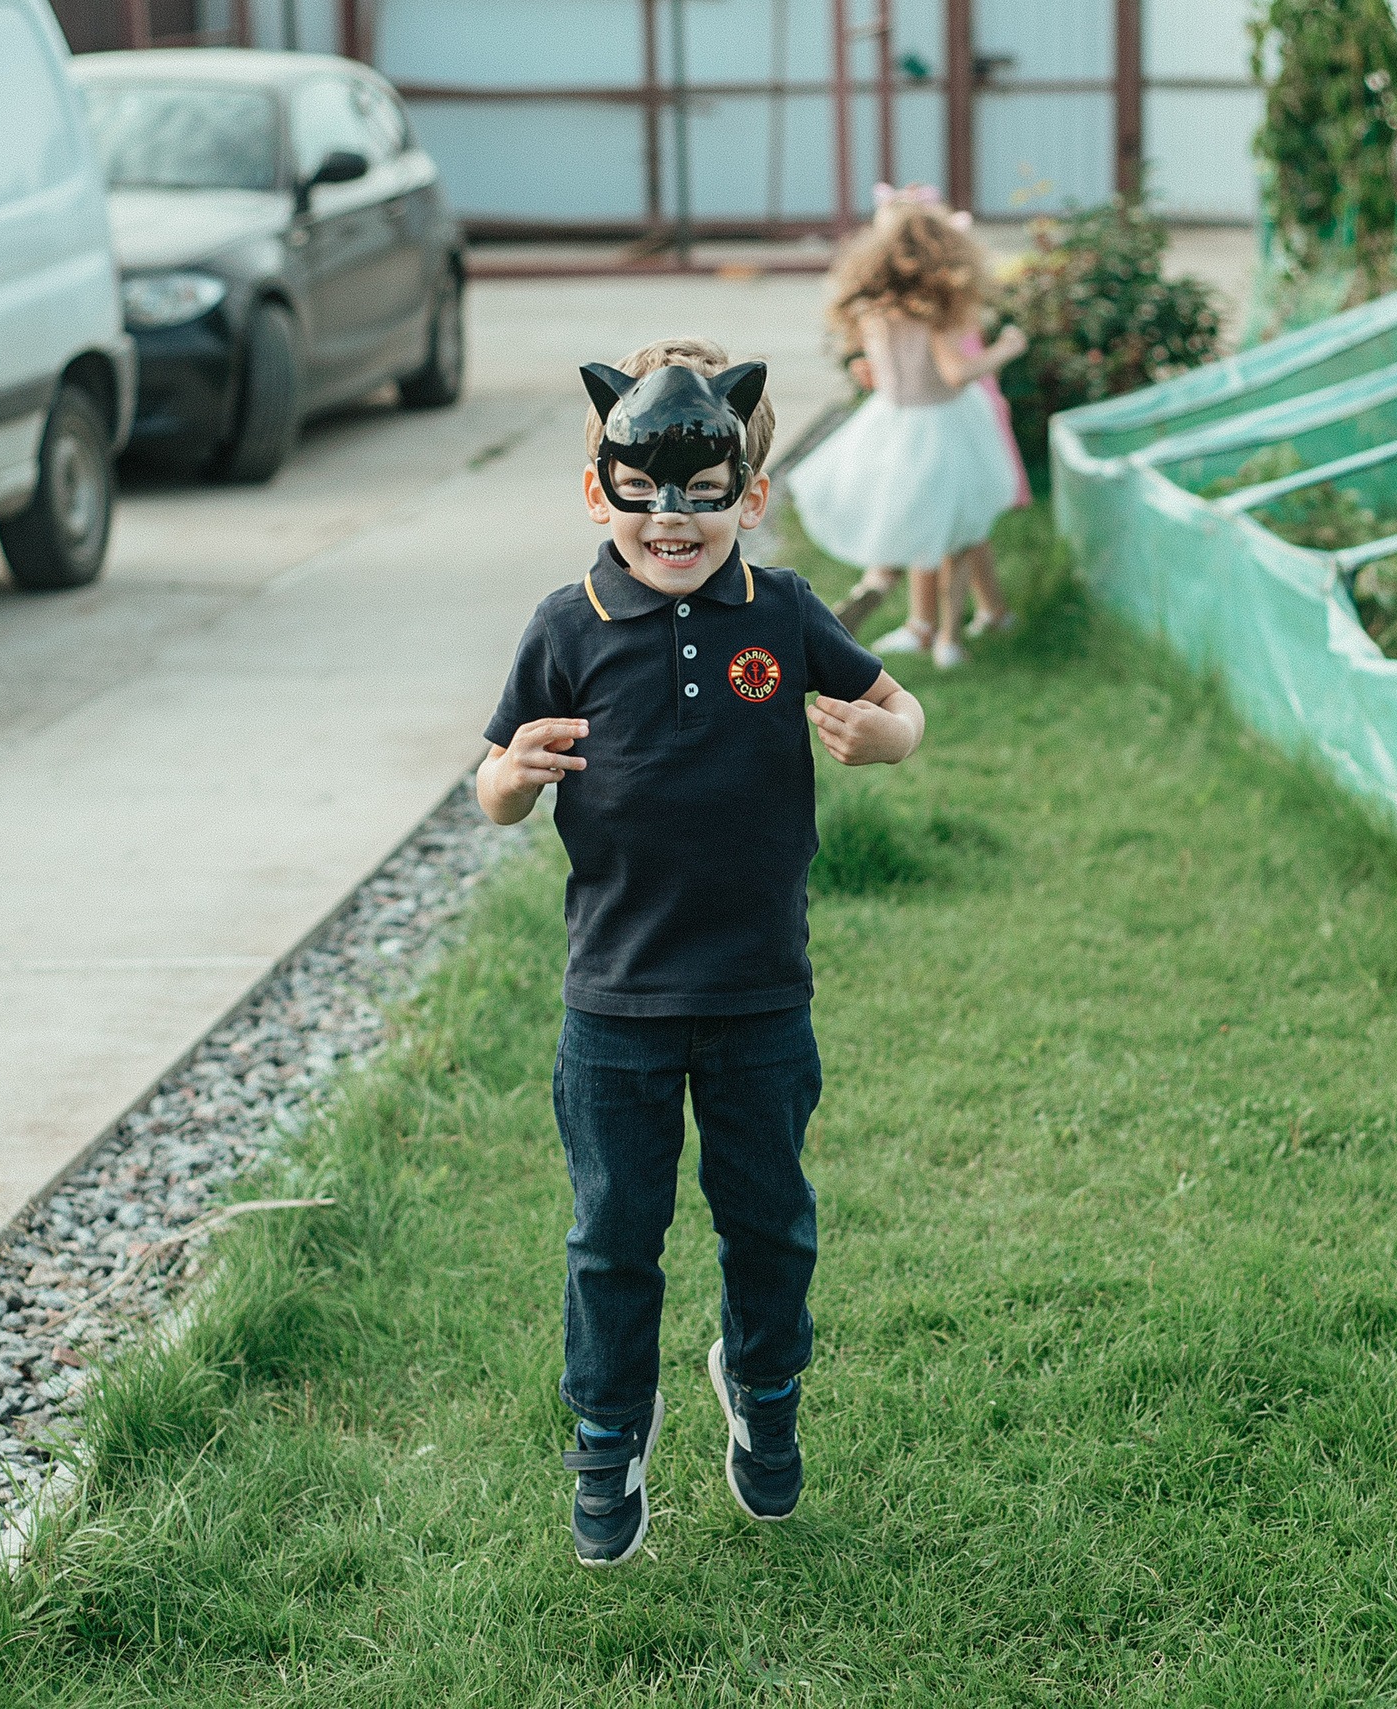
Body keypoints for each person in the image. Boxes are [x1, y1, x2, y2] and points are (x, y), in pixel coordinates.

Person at [476, 337, 926, 1567]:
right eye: (644, 489)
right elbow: (492, 778)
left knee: (769, 1220)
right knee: (614, 1231)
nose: (672, 518)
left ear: (749, 493)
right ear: (598, 489)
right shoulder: (565, 625)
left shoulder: (779, 611)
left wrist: (884, 739)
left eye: (702, 490)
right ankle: (610, 1428)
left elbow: (903, 705)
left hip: (758, 998)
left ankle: (763, 1388)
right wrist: (510, 778)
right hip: (613, 1006)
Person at [789, 185, 1027, 668]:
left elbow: (876, 368)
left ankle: (902, 600)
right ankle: (946, 640)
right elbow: (956, 374)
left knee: (916, 523)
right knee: (952, 535)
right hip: (941, 424)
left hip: (891, 422)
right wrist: (1005, 349)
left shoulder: (874, 309)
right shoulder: (936, 311)